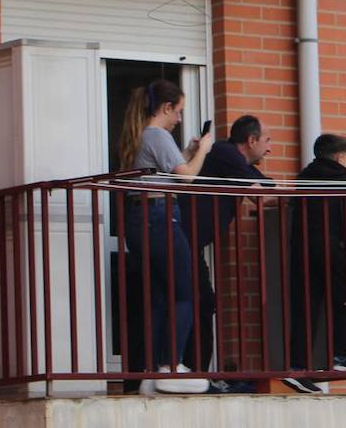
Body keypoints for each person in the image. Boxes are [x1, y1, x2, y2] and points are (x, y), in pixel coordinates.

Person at [117, 79, 213, 395]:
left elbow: (165, 169)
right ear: (166, 108)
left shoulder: (140, 134)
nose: (180, 119)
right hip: (159, 217)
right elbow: (186, 179)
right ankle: (172, 365)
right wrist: (205, 152)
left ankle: (155, 370)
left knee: (160, 295)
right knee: (186, 292)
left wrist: (187, 152)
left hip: (139, 220)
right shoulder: (157, 134)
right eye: (179, 111)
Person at [183, 115, 273, 375]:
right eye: (267, 141)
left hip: (190, 242)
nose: (270, 148)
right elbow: (260, 196)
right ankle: (194, 373)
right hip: (183, 239)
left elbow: (266, 185)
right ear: (251, 140)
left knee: (200, 302)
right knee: (198, 302)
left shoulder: (237, 160)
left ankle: (195, 372)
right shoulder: (226, 153)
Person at [285, 134, 346, 393]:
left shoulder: (304, 178)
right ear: (341, 157)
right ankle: (342, 358)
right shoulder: (341, 181)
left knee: (305, 307)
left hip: (304, 251)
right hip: (335, 250)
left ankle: (298, 363)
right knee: (342, 301)